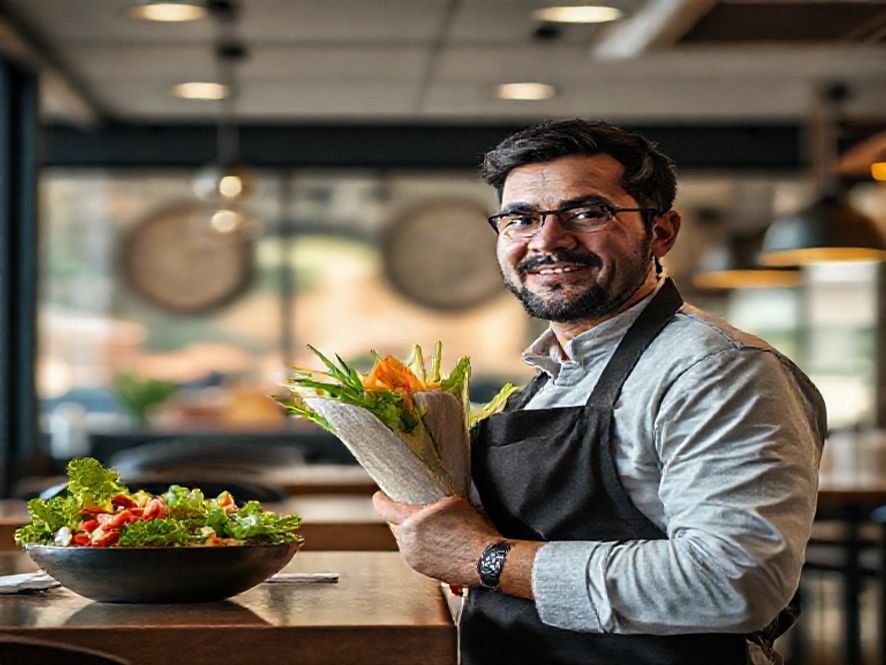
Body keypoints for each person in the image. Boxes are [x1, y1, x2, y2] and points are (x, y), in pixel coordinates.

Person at [373, 119, 826, 665]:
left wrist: (488, 559)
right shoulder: (549, 375)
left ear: (661, 232)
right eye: (521, 219)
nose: (547, 240)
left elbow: (735, 583)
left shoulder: (717, 370)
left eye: (587, 213)